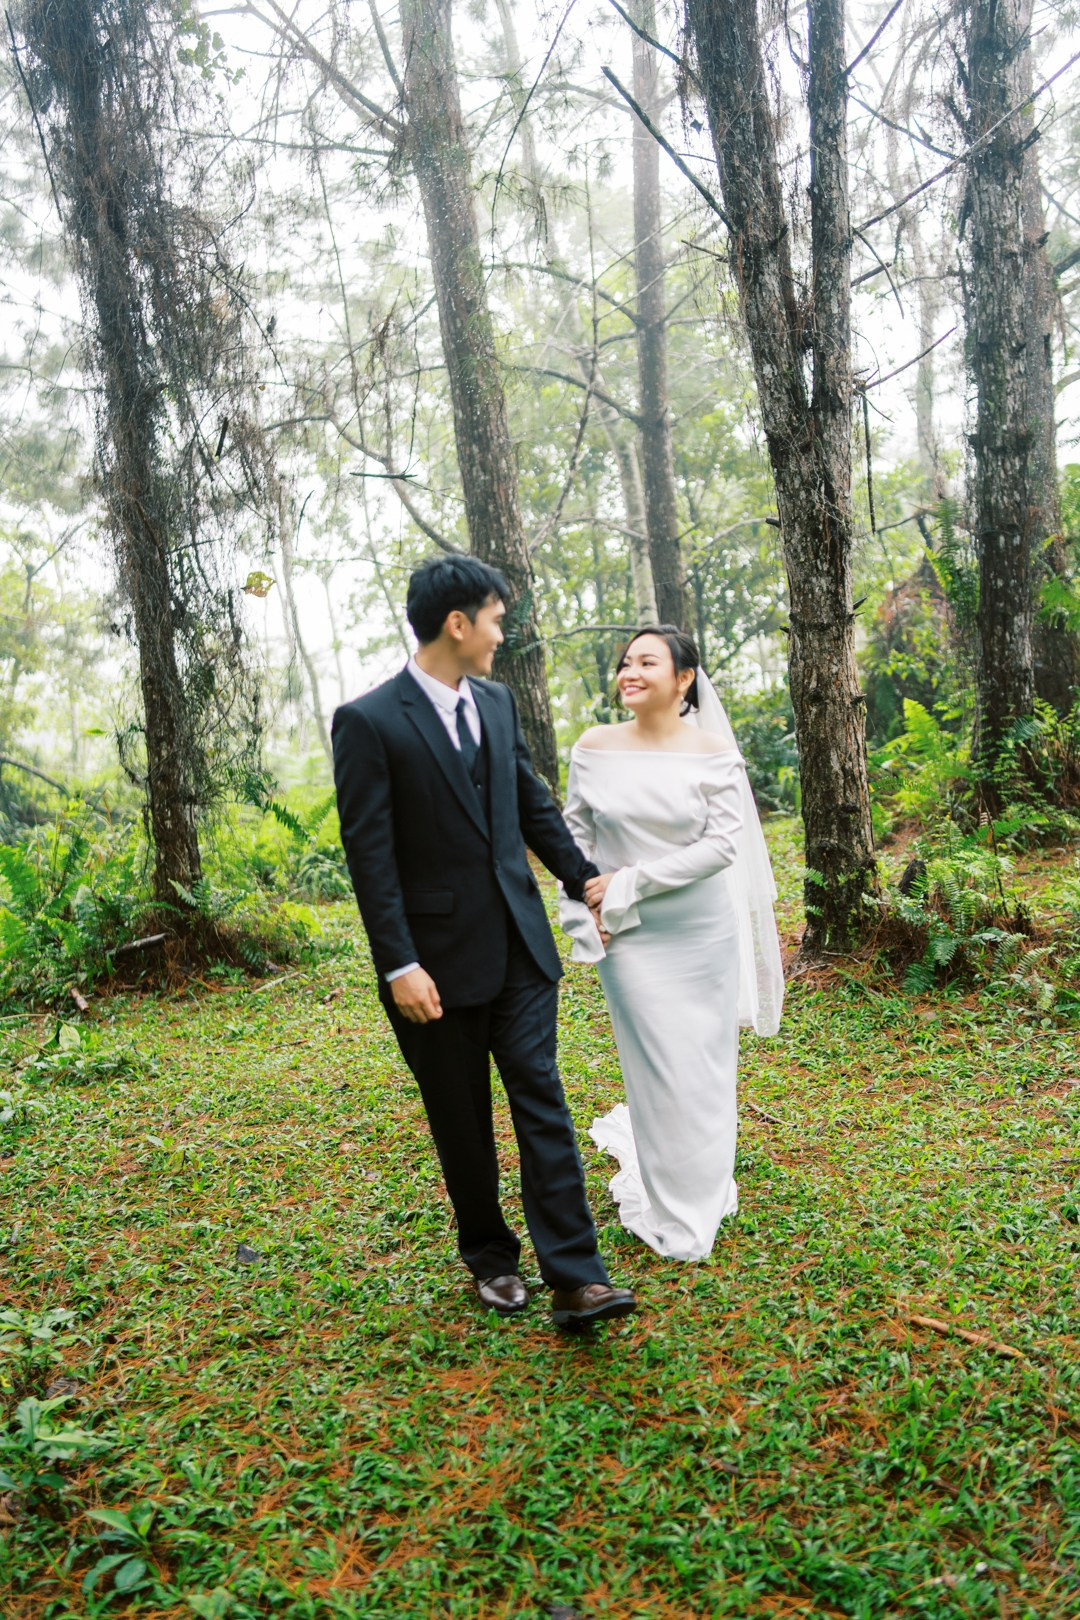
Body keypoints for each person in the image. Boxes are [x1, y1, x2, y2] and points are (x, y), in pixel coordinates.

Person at [332, 555, 636, 1330]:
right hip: (431, 967)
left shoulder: (497, 704)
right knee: (460, 1118)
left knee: (543, 1101)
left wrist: (583, 878)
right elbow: (370, 855)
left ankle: (576, 1276)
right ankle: (490, 1258)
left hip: (518, 950)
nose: (503, 633)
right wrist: (399, 963)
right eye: (496, 619)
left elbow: (531, 803)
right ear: (457, 624)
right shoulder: (368, 721)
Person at [559, 626, 784, 1262]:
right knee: (655, 1064)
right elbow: (572, 839)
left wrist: (630, 882)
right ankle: (672, 1203)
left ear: (683, 679)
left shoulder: (712, 754)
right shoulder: (593, 748)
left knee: (705, 1064)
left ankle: (707, 1188)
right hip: (629, 938)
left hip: (699, 930)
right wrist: (583, 914)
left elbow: (721, 846)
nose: (630, 671)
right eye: (626, 662)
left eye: (647, 662)